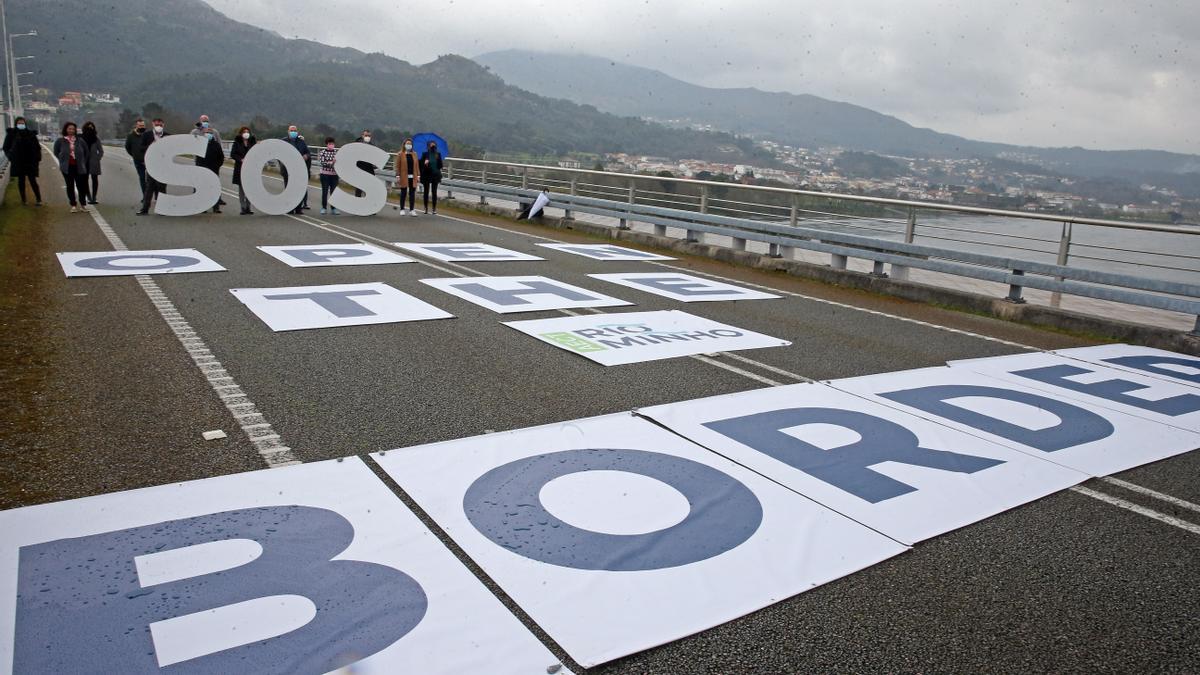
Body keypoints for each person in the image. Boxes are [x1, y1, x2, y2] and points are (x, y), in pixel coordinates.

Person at [3, 116, 43, 206]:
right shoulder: (11, 134)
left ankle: (38, 199)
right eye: (19, 123)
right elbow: (6, 147)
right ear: (16, 124)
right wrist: (10, 156)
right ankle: (24, 200)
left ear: (25, 124)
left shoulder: (31, 134)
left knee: (33, 180)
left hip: (30, 161)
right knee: (21, 181)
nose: (21, 125)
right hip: (18, 161)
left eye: (22, 123)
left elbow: (37, 147)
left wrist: (37, 158)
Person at [52, 122, 90, 212]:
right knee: (70, 185)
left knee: (81, 185)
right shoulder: (60, 141)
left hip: (79, 166)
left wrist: (83, 161)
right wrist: (63, 160)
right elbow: (56, 152)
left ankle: (83, 204)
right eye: (69, 129)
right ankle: (73, 204)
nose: (71, 130)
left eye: (73, 129)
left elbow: (86, 152)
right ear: (66, 129)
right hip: (67, 167)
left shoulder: (80, 140)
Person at [136, 118, 168, 215]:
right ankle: (145, 209)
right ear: (153, 124)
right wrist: (151, 146)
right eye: (156, 124)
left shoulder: (168, 136)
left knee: (162, 187)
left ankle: (162, 208)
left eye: (160, 124)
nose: (158, 126)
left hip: (163, 165)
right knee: (149, 187)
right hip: (151, 164)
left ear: (163, 124)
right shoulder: (146, 135)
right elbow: (141, 148)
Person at [191, 115, 225, 206]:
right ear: (200, 121)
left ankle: (218, 198)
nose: (205, 122)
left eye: (206, 120)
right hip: (200, 160)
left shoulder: (214, 132)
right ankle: (196, 197)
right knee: (199, 179)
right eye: (203, 120)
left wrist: (219, 158)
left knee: (215, 179)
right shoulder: (195, 132)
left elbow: (219, 144)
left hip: (213, 160)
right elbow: (191, 143)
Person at [279, 125, 310, 215]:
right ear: (288, 131)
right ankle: (289, 208)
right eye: (292, 130)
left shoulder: (301, 142)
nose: (293, 132)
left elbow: (307, 152)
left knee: (298, 189)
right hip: (287, 169)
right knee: (288, 189)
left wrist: (306, 156)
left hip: (298, 169)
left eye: (295, 130)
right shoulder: (283, 141)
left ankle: (298, 208)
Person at [230, 126, 256, 215]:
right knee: (242, 188)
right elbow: (232, 154)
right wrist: (240, 159)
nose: (246, 133)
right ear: (241, 133)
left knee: (250, 188)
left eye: (247, 131)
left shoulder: (252, 142)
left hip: (250, 168)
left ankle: (248, 207)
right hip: (240, 167)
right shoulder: (237, 142)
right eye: (244, 131)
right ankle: (243, 207)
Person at [199, 128, 225, 213]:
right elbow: (198, 158)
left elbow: (221, 157)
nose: (208, 134)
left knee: (215, 189)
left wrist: (217, 166)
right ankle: (203, 207)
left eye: (209, 133)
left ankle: (216, 207)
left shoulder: (216, 145)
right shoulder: (200, 144)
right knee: (204, 189)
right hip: (203, 170)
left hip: (214, 169)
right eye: (206, 133)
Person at [394, 137, 421, 216]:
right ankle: (402, 209)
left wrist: (418, 175)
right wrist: (398, 175)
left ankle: (412, 209)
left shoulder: (414, 154)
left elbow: (417, 166)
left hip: (413, 176)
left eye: (410, 144)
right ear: (404, 145)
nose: (409, 145)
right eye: (407, 144)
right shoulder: (400, 154)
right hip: (403, 176)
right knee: (403, 193)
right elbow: (397, 166)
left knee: (412, 193)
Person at [124, 118, 148, 196]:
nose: (142, 127)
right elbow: (127, 147)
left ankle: (151, 194)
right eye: (140, 125)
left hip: (148, 160)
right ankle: (145, 196)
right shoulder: (131, 136)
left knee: (150, 179)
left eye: (143, 125)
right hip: (138, 161)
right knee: (142, 178)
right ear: (136, 126)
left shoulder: (147, 135)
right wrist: (134, 155)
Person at [80, 121, 103, 204]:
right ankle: (88, 196)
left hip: (94, 162)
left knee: (95, 179)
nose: (90, 129)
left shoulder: (96, 139)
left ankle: (94, 196)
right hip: (84, 162)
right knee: (85, 180)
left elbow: (101, 151)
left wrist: (97, 158)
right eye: (88, 127)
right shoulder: (81, 138)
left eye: (92, 127)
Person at [317, 136, 340, 215]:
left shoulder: (336, 153)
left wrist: (332, 163)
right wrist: (332, 163)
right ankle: (324, 207)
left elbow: (339, 164)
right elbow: (323, 163)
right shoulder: (322, 152)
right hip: (325, 175)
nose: (331, 145)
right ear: (327, 144)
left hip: (334, 175)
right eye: (330, 144)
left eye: (332, 144)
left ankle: (333, 208)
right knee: (325, 191)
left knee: (333, 192)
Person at [420, 140, 443, 215]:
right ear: (428, 146)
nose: (433, 146)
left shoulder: (438, 154)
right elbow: (421, 166)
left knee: (434, 192)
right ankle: (426, 208)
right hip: (427, 175)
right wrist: (425, 163)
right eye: (431, 145)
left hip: (435, 175)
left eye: (434, 145)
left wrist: (439, 160)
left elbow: (440, 166)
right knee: (426, 192)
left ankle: (434, 208)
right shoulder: (425, 154)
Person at [352, 129, 375, 197]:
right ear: (362, 136)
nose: (367, 137)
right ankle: (357, 202)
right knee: (359, 187)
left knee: (368, 188)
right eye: (366, 135)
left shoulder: (372, 145)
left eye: (369, 136)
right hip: (359, 168)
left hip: (369, 169)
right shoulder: (357, 144)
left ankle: (367, 203)